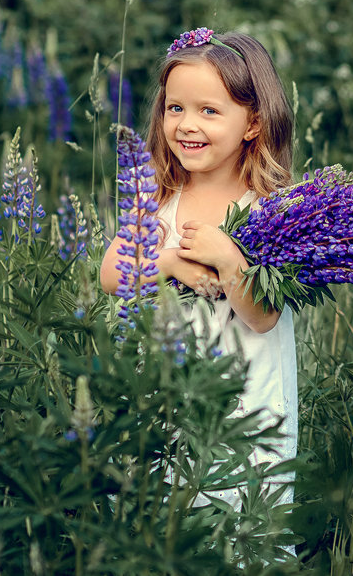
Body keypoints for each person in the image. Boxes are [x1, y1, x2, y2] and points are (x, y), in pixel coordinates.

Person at [99, 27, 298, 511]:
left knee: (242, 522)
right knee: (169, 516)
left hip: (244, 405)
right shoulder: (161, 197)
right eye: (175, 108)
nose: (187, 124)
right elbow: (110, 273)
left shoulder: (271, 210)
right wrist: (169, 263)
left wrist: (229, 258)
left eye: (209, 111)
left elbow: (263, 316)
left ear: (253, 122)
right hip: (167, 395)